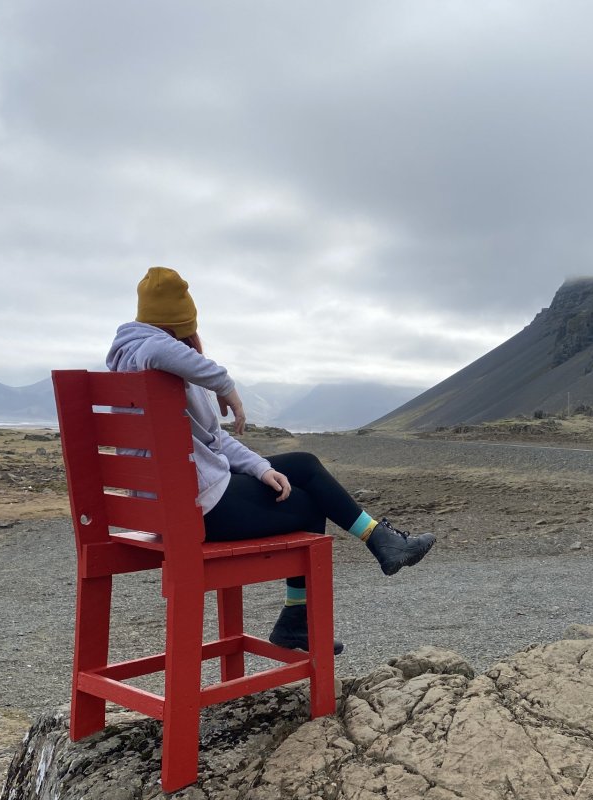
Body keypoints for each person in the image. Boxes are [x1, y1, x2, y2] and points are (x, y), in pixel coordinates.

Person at [106, 266, 435, 655]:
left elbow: (214, 440)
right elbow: (158, 349)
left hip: (172, 507)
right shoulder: (148, 357)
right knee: (310, 504)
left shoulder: (142, 368)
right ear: (179, 328)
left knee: (303, 465)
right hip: (191, 512)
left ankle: (379, 540)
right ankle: (298, 618)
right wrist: (226, 386)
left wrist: (262, 469)